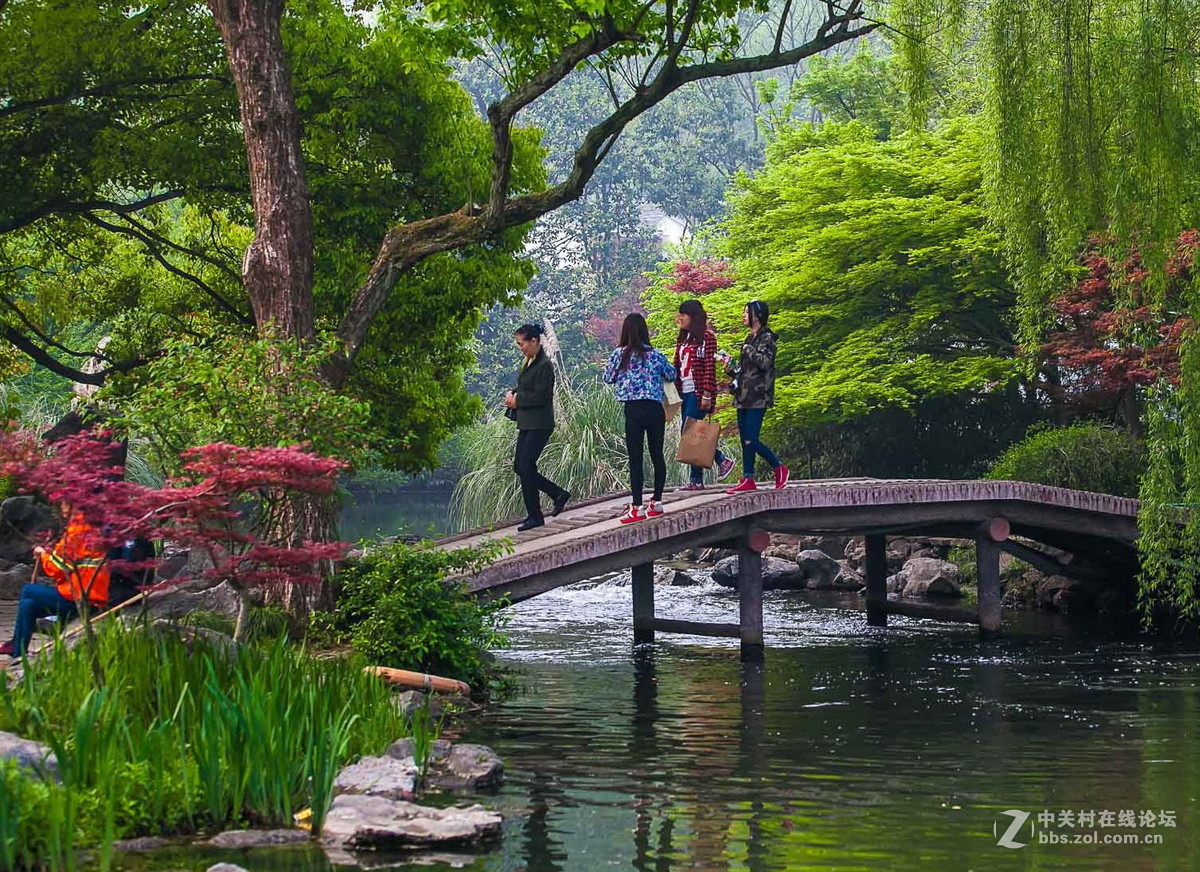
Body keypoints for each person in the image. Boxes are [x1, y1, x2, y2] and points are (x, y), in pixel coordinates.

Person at [0, 508, 111, 658]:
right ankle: (18, 651)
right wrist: (50, 552)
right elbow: (66, 559)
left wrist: (43, 554)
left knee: (28, 590)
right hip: (83, 593)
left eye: (63, 504)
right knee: (28, 605)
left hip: (83, 597)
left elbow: (58, 568)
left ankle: (17, 643)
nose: (61, 508)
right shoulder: (87, 526)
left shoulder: (78, 528)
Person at [602, 313, 677, 524]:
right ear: (644, 331)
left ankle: (637, 506)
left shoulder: (620, 354)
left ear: (625, 331)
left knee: (635, 458)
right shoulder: (656, 355)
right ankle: (658, 501)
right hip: (654, 409)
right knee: (657, 455)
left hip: (633, 410)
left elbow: (607, 378)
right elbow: (672, 375)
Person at [504, 324, 570, 532]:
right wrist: (512, 394)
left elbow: (541, 396)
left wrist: (518, 401)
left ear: (534, 341)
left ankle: (536, 514)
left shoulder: (544, 365)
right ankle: (556, 495)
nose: (520, 348)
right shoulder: (529, 361)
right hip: (527, 423)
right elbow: (526, 387)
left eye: (522, 343)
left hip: (539, 423)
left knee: (525, 466)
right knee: (520, 467)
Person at [725, 300, 789, 493]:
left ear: (758, 315)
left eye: (747, 312)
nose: (743, 316)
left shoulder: (767, 338)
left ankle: (778, 467)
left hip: (758, 395)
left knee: (751, 439)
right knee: (744, 438)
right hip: (743, 394)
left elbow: (765, 363)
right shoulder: (748, 338)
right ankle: (748, 477)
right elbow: (744, 370)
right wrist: (731, 368)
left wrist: (748, 350)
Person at [673, 299, 736, 490]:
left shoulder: (708, 338)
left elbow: (709, 367)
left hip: (698, 391)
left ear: (693, 316)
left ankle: (714, 465)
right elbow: (678, 364)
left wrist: (708, 393)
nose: (680, 318)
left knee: (691, 431)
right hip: (684, 391)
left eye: (683, 314)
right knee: (691, 432)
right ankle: (704, 474)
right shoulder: (683, 338)